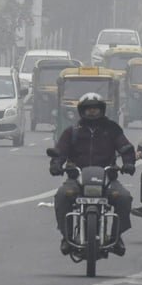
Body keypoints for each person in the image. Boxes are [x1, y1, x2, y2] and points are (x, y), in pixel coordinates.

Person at [49, 93, 136, 256]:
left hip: (107, 179)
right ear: (82, 111)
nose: (92, 112)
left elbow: (125, 148)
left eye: (95, 109)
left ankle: (116, 237)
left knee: (123, 197)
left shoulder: (112, 129)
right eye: (88, 109)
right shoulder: (72, 131)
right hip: (78, 178)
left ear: (102, 110)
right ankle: (66, 237)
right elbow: (60, 151)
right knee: (62, 196)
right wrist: (55, 165)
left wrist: (129, 163)